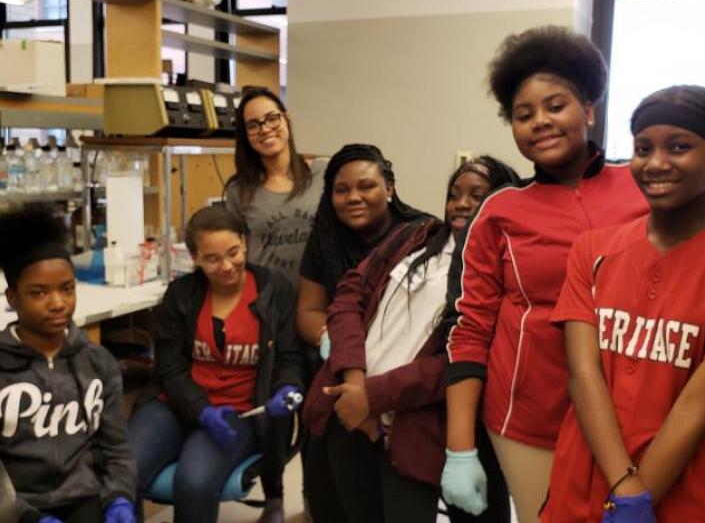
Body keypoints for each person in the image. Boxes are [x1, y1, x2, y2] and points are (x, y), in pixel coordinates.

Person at [441, 26, 649, 522]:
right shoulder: (499, 211)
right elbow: (469, 330)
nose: (540, 122)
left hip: (633, 415)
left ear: (589, 109)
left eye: (556, 106)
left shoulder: (641, 188)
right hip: (529, 422)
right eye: (524, 114)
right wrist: (460, 448)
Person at [304, 157, 520, 523]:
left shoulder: (500, 269)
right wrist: (355, 382)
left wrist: (374, 397)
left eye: (477, 195)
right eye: (455, 194)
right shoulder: (415, 236)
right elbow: (349, 295)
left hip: (408, 427)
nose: (462, 203)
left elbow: (460, 361)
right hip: (348, 408)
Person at [541, 85, 705, 522]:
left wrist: (638, 499)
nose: (655, 163)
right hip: (581, 483)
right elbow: (583, 372)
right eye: (642, 148)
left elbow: (697, 404)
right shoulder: (592, 250)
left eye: (679, 146)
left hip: (679, 494)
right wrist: (624, 487)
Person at [127, 206, 303, 523]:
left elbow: (289, 358)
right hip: (176, 402)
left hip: (240, 410)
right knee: (125, 471)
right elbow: (169, 368)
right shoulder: (181, 294)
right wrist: (200, 410)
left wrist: (288, 389)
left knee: (194, 482)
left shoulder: (274, 290)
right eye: (212, 259)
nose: (226, 266)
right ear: (194, 258)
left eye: (233, 252)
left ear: (245, 243)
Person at [297, 143, 427, 521]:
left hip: (400, 386)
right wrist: (334, 341)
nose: (354, 197)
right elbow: (307, 310)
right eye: (342, 189)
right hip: (339, 379)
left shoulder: (419, 235)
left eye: (366, 186)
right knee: (333, 495)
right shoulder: (325, 238)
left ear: (389, 188)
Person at [0, 204, 137, 523]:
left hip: (86, 498)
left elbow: (116, 449)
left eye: (67, 288)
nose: (57, 303)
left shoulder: (97, 362)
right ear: (12, 298)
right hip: (15, 506)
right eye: (38, 292)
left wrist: (119, 497)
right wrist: (27, 517)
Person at [224, 87, 327, 289]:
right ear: (245, 135)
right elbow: (235, 252)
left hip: (320, 300)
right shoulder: (239, 190)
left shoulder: (323, 172)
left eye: (272, 118)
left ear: (286, 119)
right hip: (267, 305)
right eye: (253, 125)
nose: (264, 129)